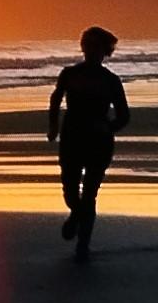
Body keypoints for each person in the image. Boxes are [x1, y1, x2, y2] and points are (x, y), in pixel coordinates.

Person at [47, 26, 129, 255]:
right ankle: (76, 213)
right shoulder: (70, 74)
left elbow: (124, 115)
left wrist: (107, 127)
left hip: (99, 143)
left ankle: (83, 244)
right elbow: (55, 99)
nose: (92, 50)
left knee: (90, 193)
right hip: (71, 138)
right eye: (88, 45)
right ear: (82, 47)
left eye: (97, 47)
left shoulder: (111, 80)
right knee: (71, 192)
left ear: (106, 51)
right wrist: (53, 126)